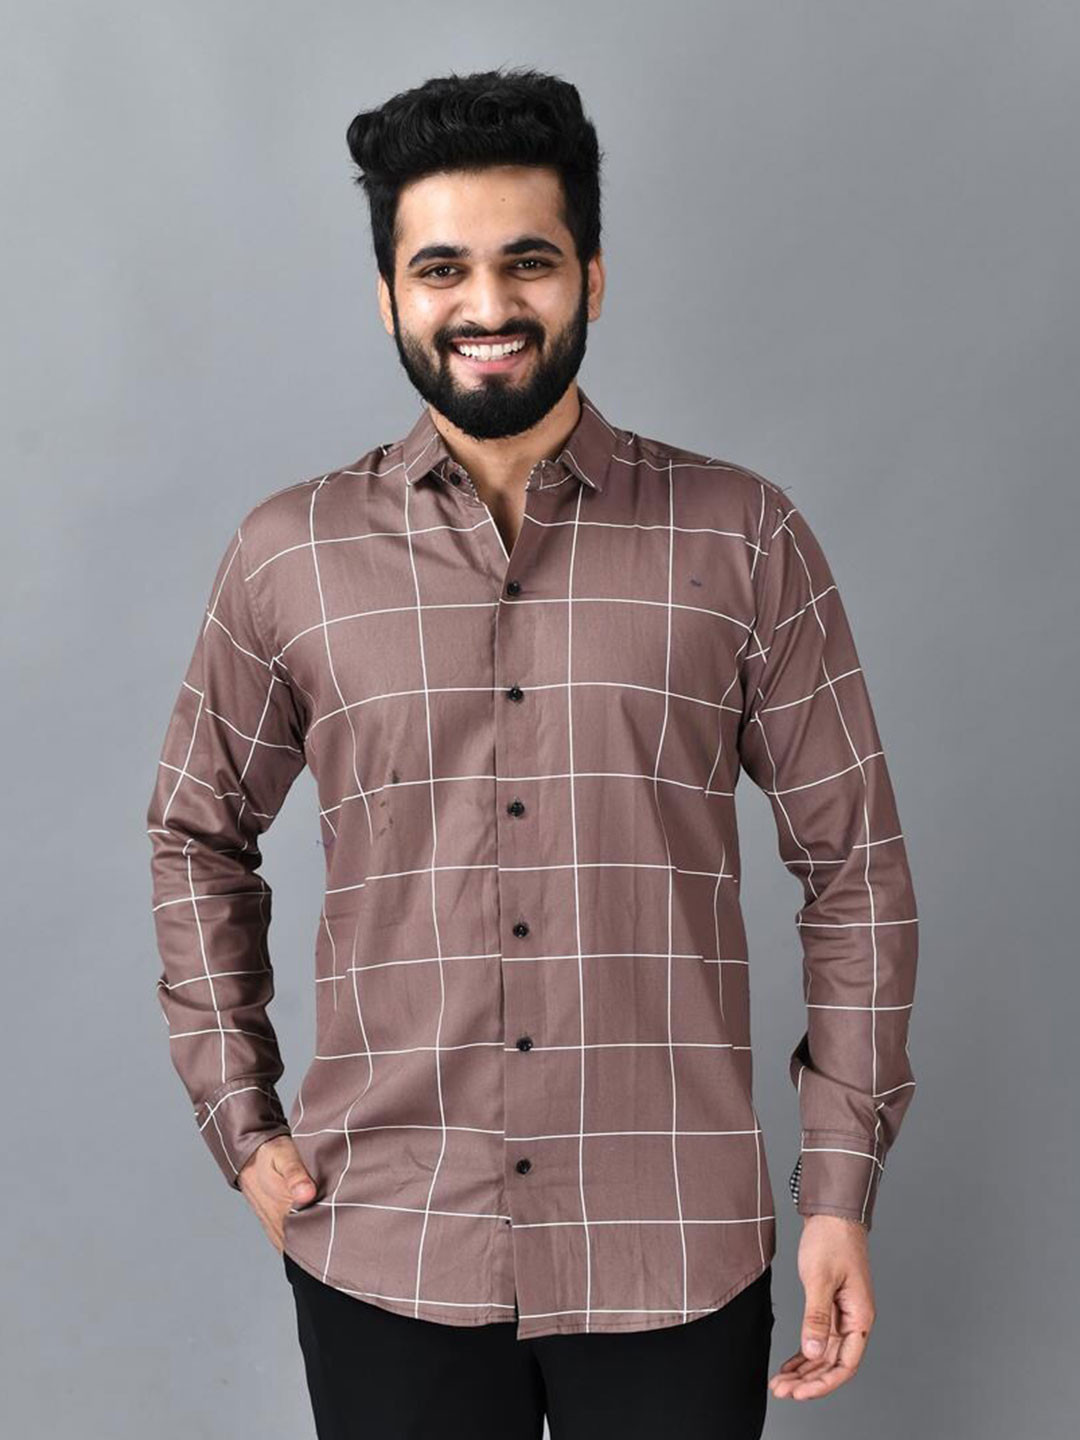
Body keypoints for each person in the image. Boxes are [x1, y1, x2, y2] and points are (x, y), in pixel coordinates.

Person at [145, 64, 919, 1440]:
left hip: (674, 1243)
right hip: (389, 1243)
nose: (487, 305)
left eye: (529, 261)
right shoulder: (287, 556)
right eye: (441, 267)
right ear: (388, 295)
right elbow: (196, 833)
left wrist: (839, 1187)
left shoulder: (744, 537)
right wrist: (240, 1122)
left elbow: (855, 868)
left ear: (593, 279)